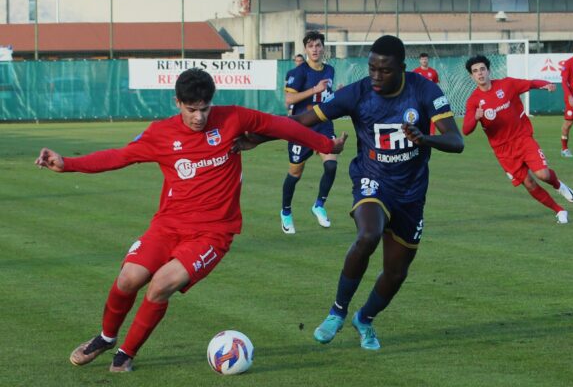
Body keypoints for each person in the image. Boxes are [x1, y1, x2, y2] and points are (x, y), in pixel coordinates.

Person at [34, 68, 347, 373]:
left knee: (160, 285)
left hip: (212, 234)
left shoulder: (233, 118)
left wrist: (325, 145)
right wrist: (67, 164)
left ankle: (125, 354)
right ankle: (105, 338)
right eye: (191, 109)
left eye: (205, 109)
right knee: (128, 278)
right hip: (167, 225)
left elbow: (282, 126)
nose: (199, 117)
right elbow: (119, 156)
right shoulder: (160, 133)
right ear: (177, 103)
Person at [237, 35, 464, 350]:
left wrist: (425, 139)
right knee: (368, 234)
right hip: (372, 180)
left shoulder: (424, 90)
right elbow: (303, 119)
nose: (375, 76)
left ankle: (365, 318)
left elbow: (456, 141)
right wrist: (259, 138)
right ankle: (337, 312)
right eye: (371, 68)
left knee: (396, 272)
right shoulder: (357, 93)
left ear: (402, 68)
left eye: (384, 70)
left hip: (411, 191)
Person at [463, 55, 573, 224]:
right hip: (503, 150)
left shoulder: (506, 84)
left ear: (488, 70)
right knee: (529, 183)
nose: (480, 74)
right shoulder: (473, 101)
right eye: (475, 71)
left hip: (522, 138)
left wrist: (545, 85)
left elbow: (530, 84)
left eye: (482, 69)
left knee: (543, 174)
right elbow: (466, 130)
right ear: (471, 76)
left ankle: (559, 185)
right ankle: (559, 210)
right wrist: (476, 118)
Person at [281, 30, 337, 234]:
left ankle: (319, 205)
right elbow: (288, 100)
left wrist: (334, 95)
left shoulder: (330, 70)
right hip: (301, 129)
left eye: (318, 45)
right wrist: (314, 90)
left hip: (324, 126)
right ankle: (286, 212)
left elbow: (326, 97)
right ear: (305, 49)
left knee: (331, 166)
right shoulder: (298, 73)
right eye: (311, 46)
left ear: (323, 48)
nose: (315, 49)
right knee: (295, 173)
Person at [413, 53, 440, 136]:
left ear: (428, 60)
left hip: (430, 97)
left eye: (425, 59)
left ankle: (431, 133)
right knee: (419, 115)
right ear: (420, 60)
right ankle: (418, 131)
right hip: (419, 98)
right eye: (422, 59)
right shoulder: (415, 72)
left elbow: (435, 84)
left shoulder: (433, 72)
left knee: (433, 114)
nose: (424, 60)